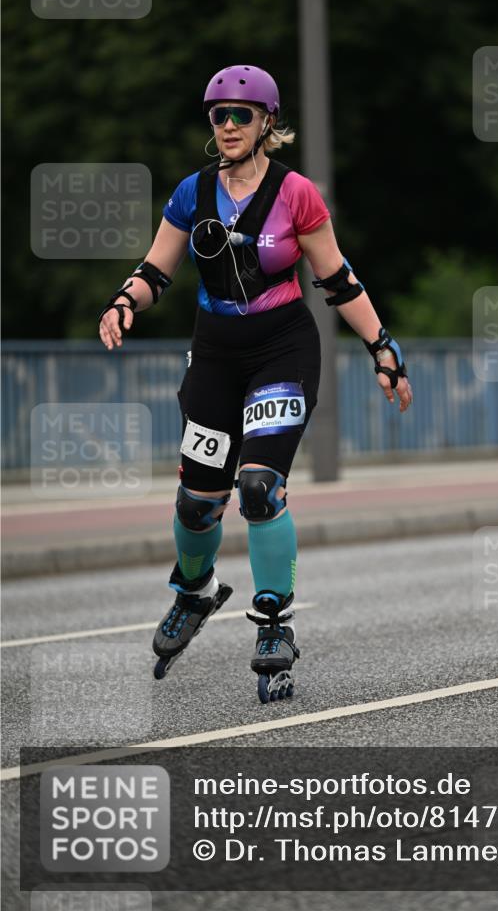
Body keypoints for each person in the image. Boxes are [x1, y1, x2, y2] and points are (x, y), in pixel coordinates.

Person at [98, 64, 413, 702]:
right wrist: (123, 303)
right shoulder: (192, 192)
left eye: (243, 114)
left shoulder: (297, 195)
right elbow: (155, 269)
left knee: (260, 486)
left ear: (268, 122)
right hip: (215, 352)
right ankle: (194, 592)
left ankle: (274, 624)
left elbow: (338, 280)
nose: (230, 125)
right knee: (197, 500)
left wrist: (383, 348)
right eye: (219, 115)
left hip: (282, 347)